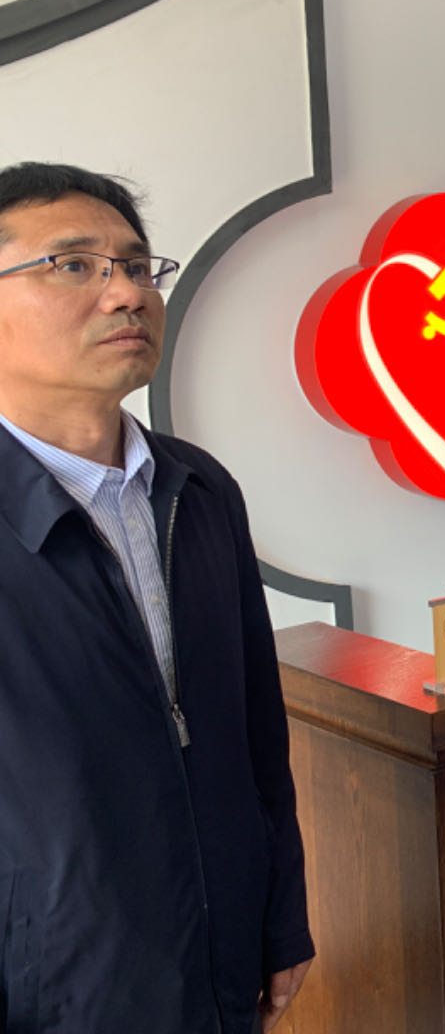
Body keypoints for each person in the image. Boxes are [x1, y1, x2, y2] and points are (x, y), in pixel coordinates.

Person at [0, 162, 314, 1033]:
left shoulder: (198, 489)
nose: (126, 294)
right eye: (73, 265)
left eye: (138, 267)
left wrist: (280, 915)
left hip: (220, 961)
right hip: (59, 989)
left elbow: (257, 730)